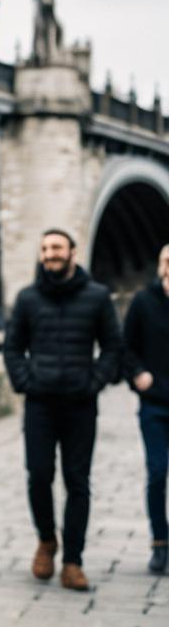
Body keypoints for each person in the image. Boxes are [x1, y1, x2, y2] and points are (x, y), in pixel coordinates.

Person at [3, 228, 122, 591]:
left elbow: (114, 349)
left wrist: (94, 381)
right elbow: (12, 349)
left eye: (56, 247)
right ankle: (46, 540)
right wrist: (26, 381)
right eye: (44, 249)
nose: (49, 254)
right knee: (38, 475)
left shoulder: (98, 297)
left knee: (77, 482)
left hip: (80, 406)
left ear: (72, 252)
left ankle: (73, 560)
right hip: (40, 404)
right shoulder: (27, 298)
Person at [122, 244, 169, 573]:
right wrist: (138, 374)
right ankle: (160, 543)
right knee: (157, 472)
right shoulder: (143, 301)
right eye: (167, 260)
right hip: (154, 404)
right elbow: (125, 346)